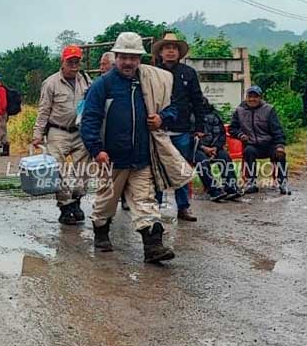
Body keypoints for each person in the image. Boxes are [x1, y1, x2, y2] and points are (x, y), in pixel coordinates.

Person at [81, 32, 191, 264]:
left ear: (140, 59)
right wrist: (96, 149)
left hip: (141, 157)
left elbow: (173, 108)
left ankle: (153, 247)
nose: (128, 62)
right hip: (111, 158)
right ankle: (101, 232)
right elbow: (89, 119)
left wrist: (162, 118)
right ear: (116, 57)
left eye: (133, 58)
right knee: (106, 201)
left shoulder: (150, 82)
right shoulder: (103, 85)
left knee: (146, 201)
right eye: (124, 57)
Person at [152, 33, 209, 222]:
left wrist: (199, 126)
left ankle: (183, 207)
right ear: (161, 52)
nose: (171, 51)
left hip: (182, 129)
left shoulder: (188, 72)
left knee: (182, 169)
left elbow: (197, 101)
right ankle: (155, 207)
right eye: (167, 47)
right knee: (157, 169)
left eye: (174, 48)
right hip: (158, 129)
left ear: (179, 52)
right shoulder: (153, 72)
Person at [33, 45, 90, 225]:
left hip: (80, 131)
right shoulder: (50, 83)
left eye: (77, 61)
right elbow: (43, 110)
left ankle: (76, 200)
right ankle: (65, 207)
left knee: (83, 170)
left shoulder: (85, 80)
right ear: (62, 62)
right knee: (58, 170)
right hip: (58, 131)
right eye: (70, 61)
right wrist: (37, 134)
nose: (74, 65)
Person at [231, 85, 290, 195]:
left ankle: (283, 182)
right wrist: (240, 135)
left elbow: (277, 130)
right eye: (250, 96)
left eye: (255, 97)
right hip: (252, 145)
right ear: (246, 97)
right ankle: (251, 183)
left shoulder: (269, 110)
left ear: (260, 98)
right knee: (248, 151)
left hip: (269, 144)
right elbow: (232, 128)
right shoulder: (239, 110)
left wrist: (280, 145)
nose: (252, 99)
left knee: (280, 154)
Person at [195, 108, 241, 202]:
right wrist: (203, 148)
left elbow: (222, 134)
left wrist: (216, 147)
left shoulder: (214, 115)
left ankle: (231, 188)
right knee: (202, 161)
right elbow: (187, 137)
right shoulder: (187, 116)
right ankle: (214, 190)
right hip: (196, 149)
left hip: (214, 148)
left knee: (224, 157)